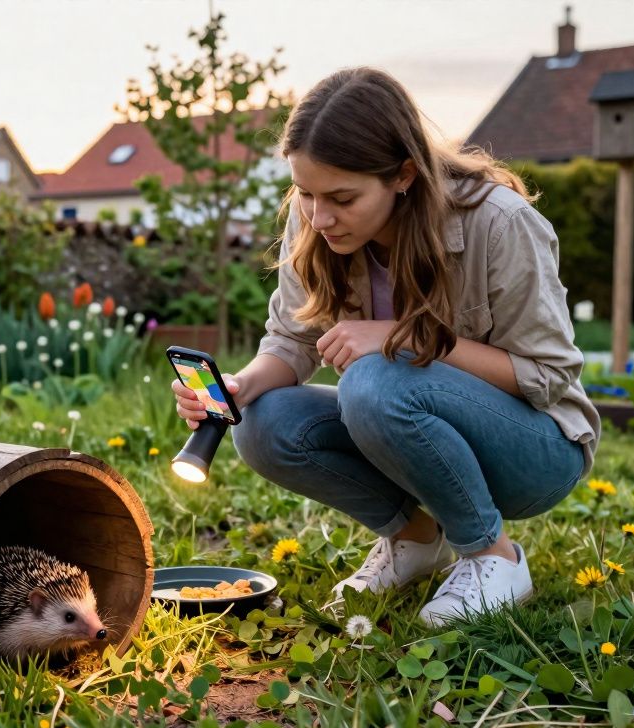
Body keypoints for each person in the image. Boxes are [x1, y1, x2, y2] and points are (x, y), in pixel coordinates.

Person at [170, 67, 601, 626]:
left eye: (342, 198)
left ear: (402, 174)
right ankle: (416, 539)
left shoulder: (499, 223)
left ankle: (493, 556)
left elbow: (546, 374)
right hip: (412, 425)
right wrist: (241, 385)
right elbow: (291, 341)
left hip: (535, 451)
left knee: (374, 381)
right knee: (261, 420)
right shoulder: (320, 231)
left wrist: (406, 339)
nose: (320, 217)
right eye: (305, 194)